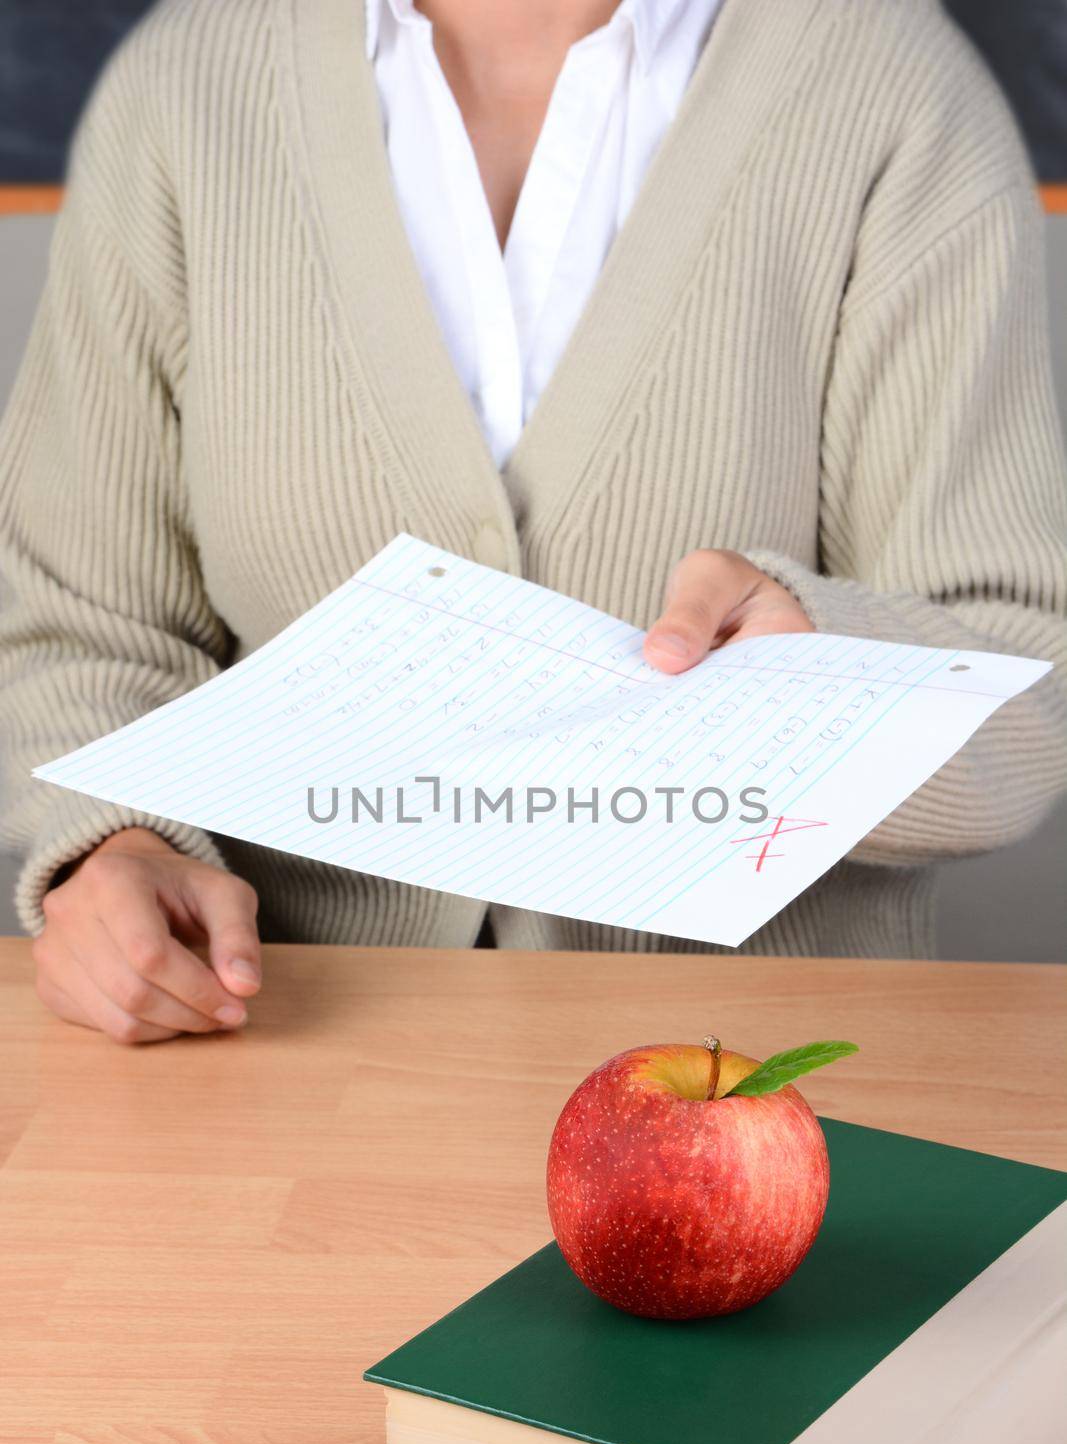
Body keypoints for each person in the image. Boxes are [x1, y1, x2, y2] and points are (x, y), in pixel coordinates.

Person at [0, 0, 1064, 1044]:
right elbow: (70, 622)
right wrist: (116, 846)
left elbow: (1032, 679)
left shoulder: (888, 84)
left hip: (756, 1089)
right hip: (275, 1068)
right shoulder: (185, 90)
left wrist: (821, 679)